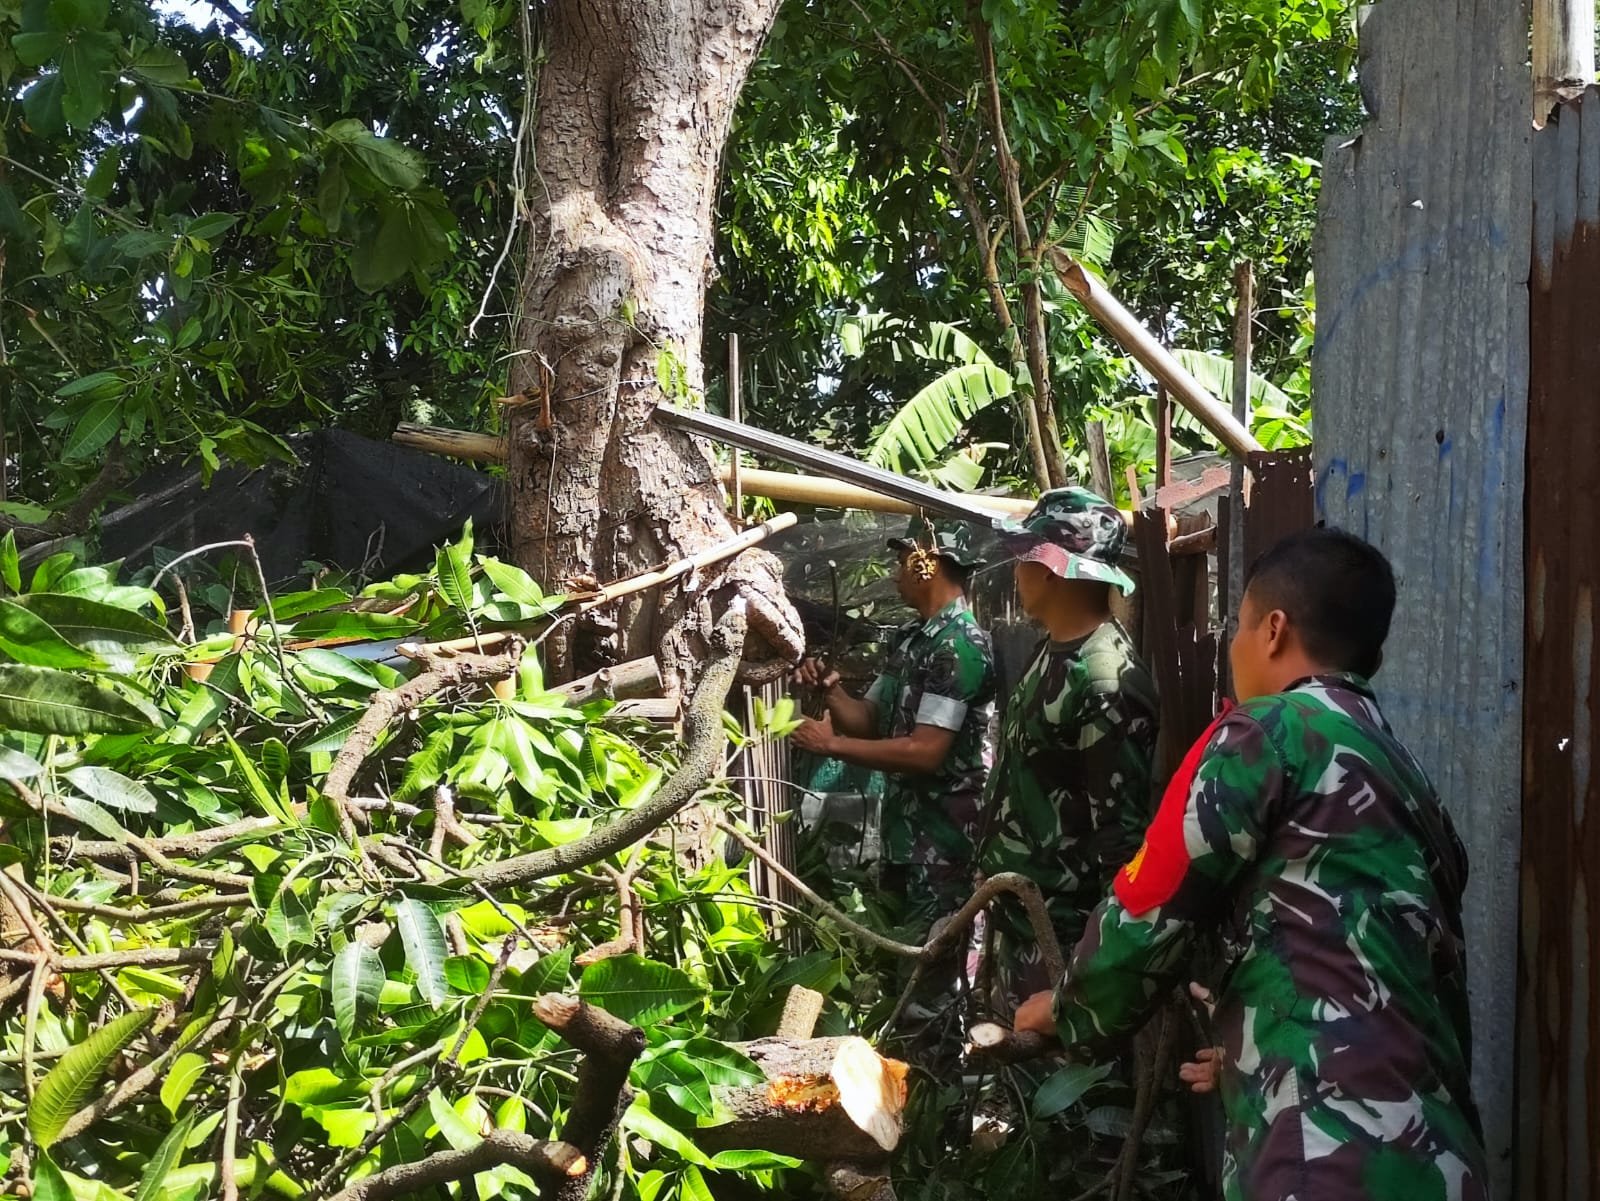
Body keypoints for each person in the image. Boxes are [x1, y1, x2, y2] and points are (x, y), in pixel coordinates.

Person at [1015, 526, 1488, 1201]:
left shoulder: (1265, 731)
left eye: (1235, 625)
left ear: (1272, 630)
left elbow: (1151, 905)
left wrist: (1062, 1009)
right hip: (1439, 1158)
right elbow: (1358, 958)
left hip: (1325, 1156)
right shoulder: (1403, 772)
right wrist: (1251, 1048)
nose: (1232, 646)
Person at [978, 487, 1159, 1002]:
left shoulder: (1104, 680)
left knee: (1060, 1079)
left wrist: (1088, 981)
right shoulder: (1052, 652)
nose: (1017, 572)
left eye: (1025, 558)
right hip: (1022, 918)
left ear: (1054, 569)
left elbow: (1120, 843)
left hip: (1064, 936)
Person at [792, 517, 996, 917]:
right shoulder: (910, 639)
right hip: (904, 839)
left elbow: (925, 751)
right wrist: (831, 693)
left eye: (901, 561)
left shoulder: (959, 646)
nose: (893, 575)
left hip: (945, 848)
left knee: (933, 964)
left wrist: (830, 744)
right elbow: (869, 719)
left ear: (928, 564)